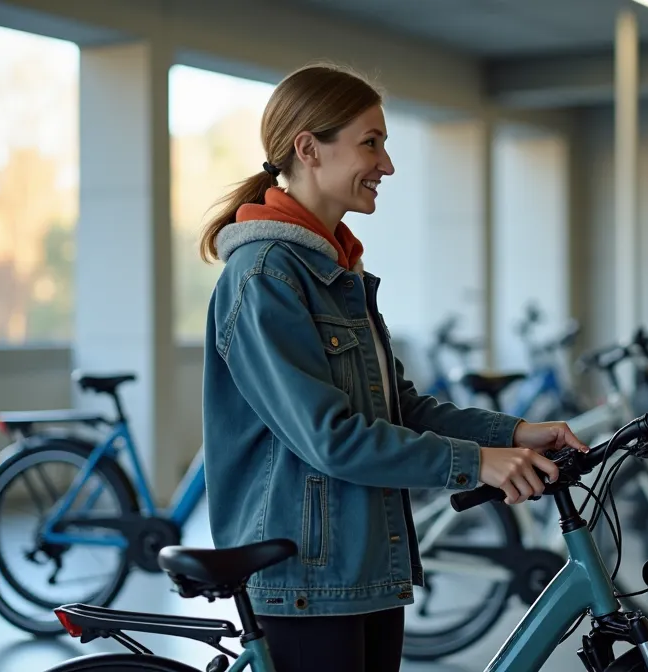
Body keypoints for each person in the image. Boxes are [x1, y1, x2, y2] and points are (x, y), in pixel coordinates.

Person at [197, 63, 589, 672]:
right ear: (308, 149)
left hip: (363, 566)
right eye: (370, 143)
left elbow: (400, 409)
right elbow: (331, 438)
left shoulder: (337, 273)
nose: (388, 165)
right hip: (306, 576)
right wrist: (475, 464)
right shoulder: (266, 277)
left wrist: (510, 433)